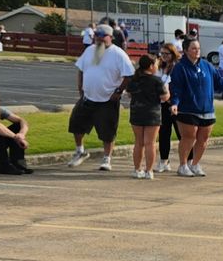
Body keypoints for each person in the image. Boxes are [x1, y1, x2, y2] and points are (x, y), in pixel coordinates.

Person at [168, 35, 223, 177]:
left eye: (198, 48)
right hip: (188, 109)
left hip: (207, 109)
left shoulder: (207, 65)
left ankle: (195, 164)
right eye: (193, 48)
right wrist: (175, 103)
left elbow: (220, 82)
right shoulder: (180, 67)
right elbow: (176, 88)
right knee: (189, 137)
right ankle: (183, 165)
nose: (197, 51)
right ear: (185, 50)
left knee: (203, 139)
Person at [68, 24, 134, 172]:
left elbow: (129, 75)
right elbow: (81, 69)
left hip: (107, 99)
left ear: (111, 37)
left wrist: (118, 91)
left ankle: (107, 158)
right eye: (97, 35)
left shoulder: (118, 54)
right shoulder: (90, 50)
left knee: (107, 130)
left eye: (103, 35)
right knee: (76, 124)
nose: (99, 38)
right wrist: (80, 87)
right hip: (88, 97)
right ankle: (80, 151)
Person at [124, 52, 170, 179]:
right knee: (150, 143)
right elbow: (164, 97)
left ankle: (137, 169)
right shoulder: (156, 81)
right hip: (152, 114)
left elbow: (129, 94)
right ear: (151, 66)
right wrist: (168, 91)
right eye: (156, 64)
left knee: (138, 143)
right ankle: (149, 171)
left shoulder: (134, 79)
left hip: (136, 112)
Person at [153, 42, 181, 173]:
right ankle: (164, 160)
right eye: (162, 53)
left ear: (173, 54)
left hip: (176, 104)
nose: (164, 56)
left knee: (182, 133)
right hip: (163, 104)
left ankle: (188, 161)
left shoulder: (177, 67)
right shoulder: (159, 67)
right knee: (164, 133)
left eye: (166, 54)